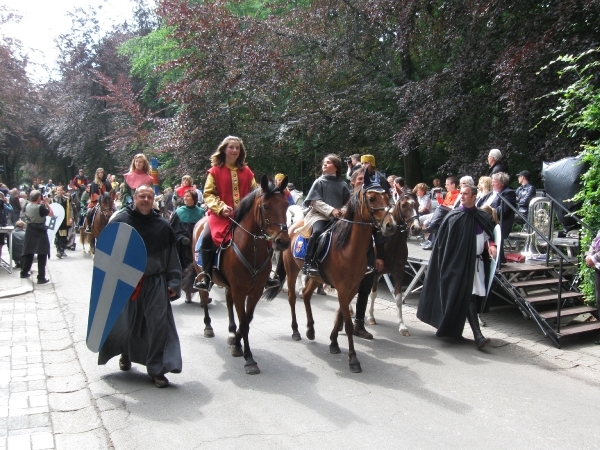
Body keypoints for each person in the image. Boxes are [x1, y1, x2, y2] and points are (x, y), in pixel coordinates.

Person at [98, 185, 182, 388]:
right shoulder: (120, 221)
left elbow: (172, 257)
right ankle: (125, 353)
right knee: (127, 324)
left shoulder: (162, 225)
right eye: (142, 196)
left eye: (149, 196)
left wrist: (174, 282)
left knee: (157, 326)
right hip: (126, 280)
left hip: (155, 282)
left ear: (154, 199)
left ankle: (156, 369)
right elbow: (106, 254)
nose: (145, 199)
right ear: (134, 198)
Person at [416, 185, 497, 348]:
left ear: (474, 196)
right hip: (457, 265)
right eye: (461, 194)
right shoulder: (454, 217)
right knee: (467, 296)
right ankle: (478, 336)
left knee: (467, 297)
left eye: (466, 194)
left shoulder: (481, 216)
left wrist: (492, 245)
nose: (462, 196)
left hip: (475, 265)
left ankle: (456, 331)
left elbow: (487, 236)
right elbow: (444, 245)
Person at [196, 136, 260, 291]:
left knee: (266, 236)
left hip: (243, 216)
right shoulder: (215, 171)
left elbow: (255, 192)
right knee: (206, 238)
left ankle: (266, 274)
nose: (234, 150)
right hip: (220, 216)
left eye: (237, 148)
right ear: (224, 149)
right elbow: (208, 194)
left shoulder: (247, 171)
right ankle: (207, 275)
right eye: (231, 147)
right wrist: (220, 208)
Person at [349, 168, 385, 339]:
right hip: (347, 251)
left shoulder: (372, 202)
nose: (363, 183)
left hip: (366, 251)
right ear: (353, 182)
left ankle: (359, 324)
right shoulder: (348, 195)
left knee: (365, 287)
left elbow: (379, 233)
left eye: (365, 180)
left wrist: (380, 256)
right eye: (360, 180)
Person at [302, 154, 350, 276]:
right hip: (319, 215)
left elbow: (347, 202)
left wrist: (344, 210)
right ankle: (308, 263)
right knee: (317, 232)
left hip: (338, 218)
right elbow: (315, 202)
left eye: (328, 162)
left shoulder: (343, 184)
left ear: (336, 167)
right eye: (324, 162)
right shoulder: (319, 181)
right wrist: (331, 210)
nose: (324, 164)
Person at [170, 189, 205, 302]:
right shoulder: (179, 212)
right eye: (184, 196)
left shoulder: (200, 212)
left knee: (200, 269)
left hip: (198, 247)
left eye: (188, 196)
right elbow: (172, 231)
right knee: (186, 269)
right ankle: (188, 294)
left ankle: (203, 294)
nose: (185, 198)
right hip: (184, 248)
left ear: (194, 199)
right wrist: (181, 238)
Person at [21, 190, 54, 284]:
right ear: (39, 198)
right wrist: (47, 203)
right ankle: (41, 277)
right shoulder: (41, 207)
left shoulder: (26, 205)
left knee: (29, 252)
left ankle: (24, 272)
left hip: (30, 230)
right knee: (42, 254)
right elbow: (51, 214)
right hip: (40, 231)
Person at [420, 176, 460, 249]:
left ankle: (431, 238)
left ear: (453, 185)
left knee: (434, 222)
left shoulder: (458, 194)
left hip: (448, 213)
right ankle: (431, 236)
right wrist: (438, 197)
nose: (445, 186)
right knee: (426, 221)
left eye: (447, 184)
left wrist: (442, 206)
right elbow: (443, 204)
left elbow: (452, 206)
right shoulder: (448, 193)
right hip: (441, 212)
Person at [489, 172, 517, 264]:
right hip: (490, 219)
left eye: (495, 182)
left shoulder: (508, 193)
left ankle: (497, 261)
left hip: (500, 222)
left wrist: (487, 213)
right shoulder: (492, 193)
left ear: (502, 183)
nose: (492, 184)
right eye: (492, 182)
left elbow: (503, 210)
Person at [84, 168, 112, 232]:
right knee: (89, 212)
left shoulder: (107, 182)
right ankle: (89, 226)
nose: (100, 174)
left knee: (116, 210)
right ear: (97, 174)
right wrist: (100, 198)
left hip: (107, 201)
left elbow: (111, 191)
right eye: (98, 173)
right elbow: (93, 193)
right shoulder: (94, 183)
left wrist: (109, 197)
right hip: (97, 201)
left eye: (101, 173)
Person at [53, 186, 75, 258]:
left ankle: (62, 249)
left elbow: (70, 209)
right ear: (56, 191)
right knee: (57, 236)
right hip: (56, 221)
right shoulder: (53, 200)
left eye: (61, 190)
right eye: (58, 190)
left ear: (63, 191)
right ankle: (58, 249)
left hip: (64, 220)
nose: (59, 192)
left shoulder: (66, 200)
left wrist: (71, 218)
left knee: (63, 235)